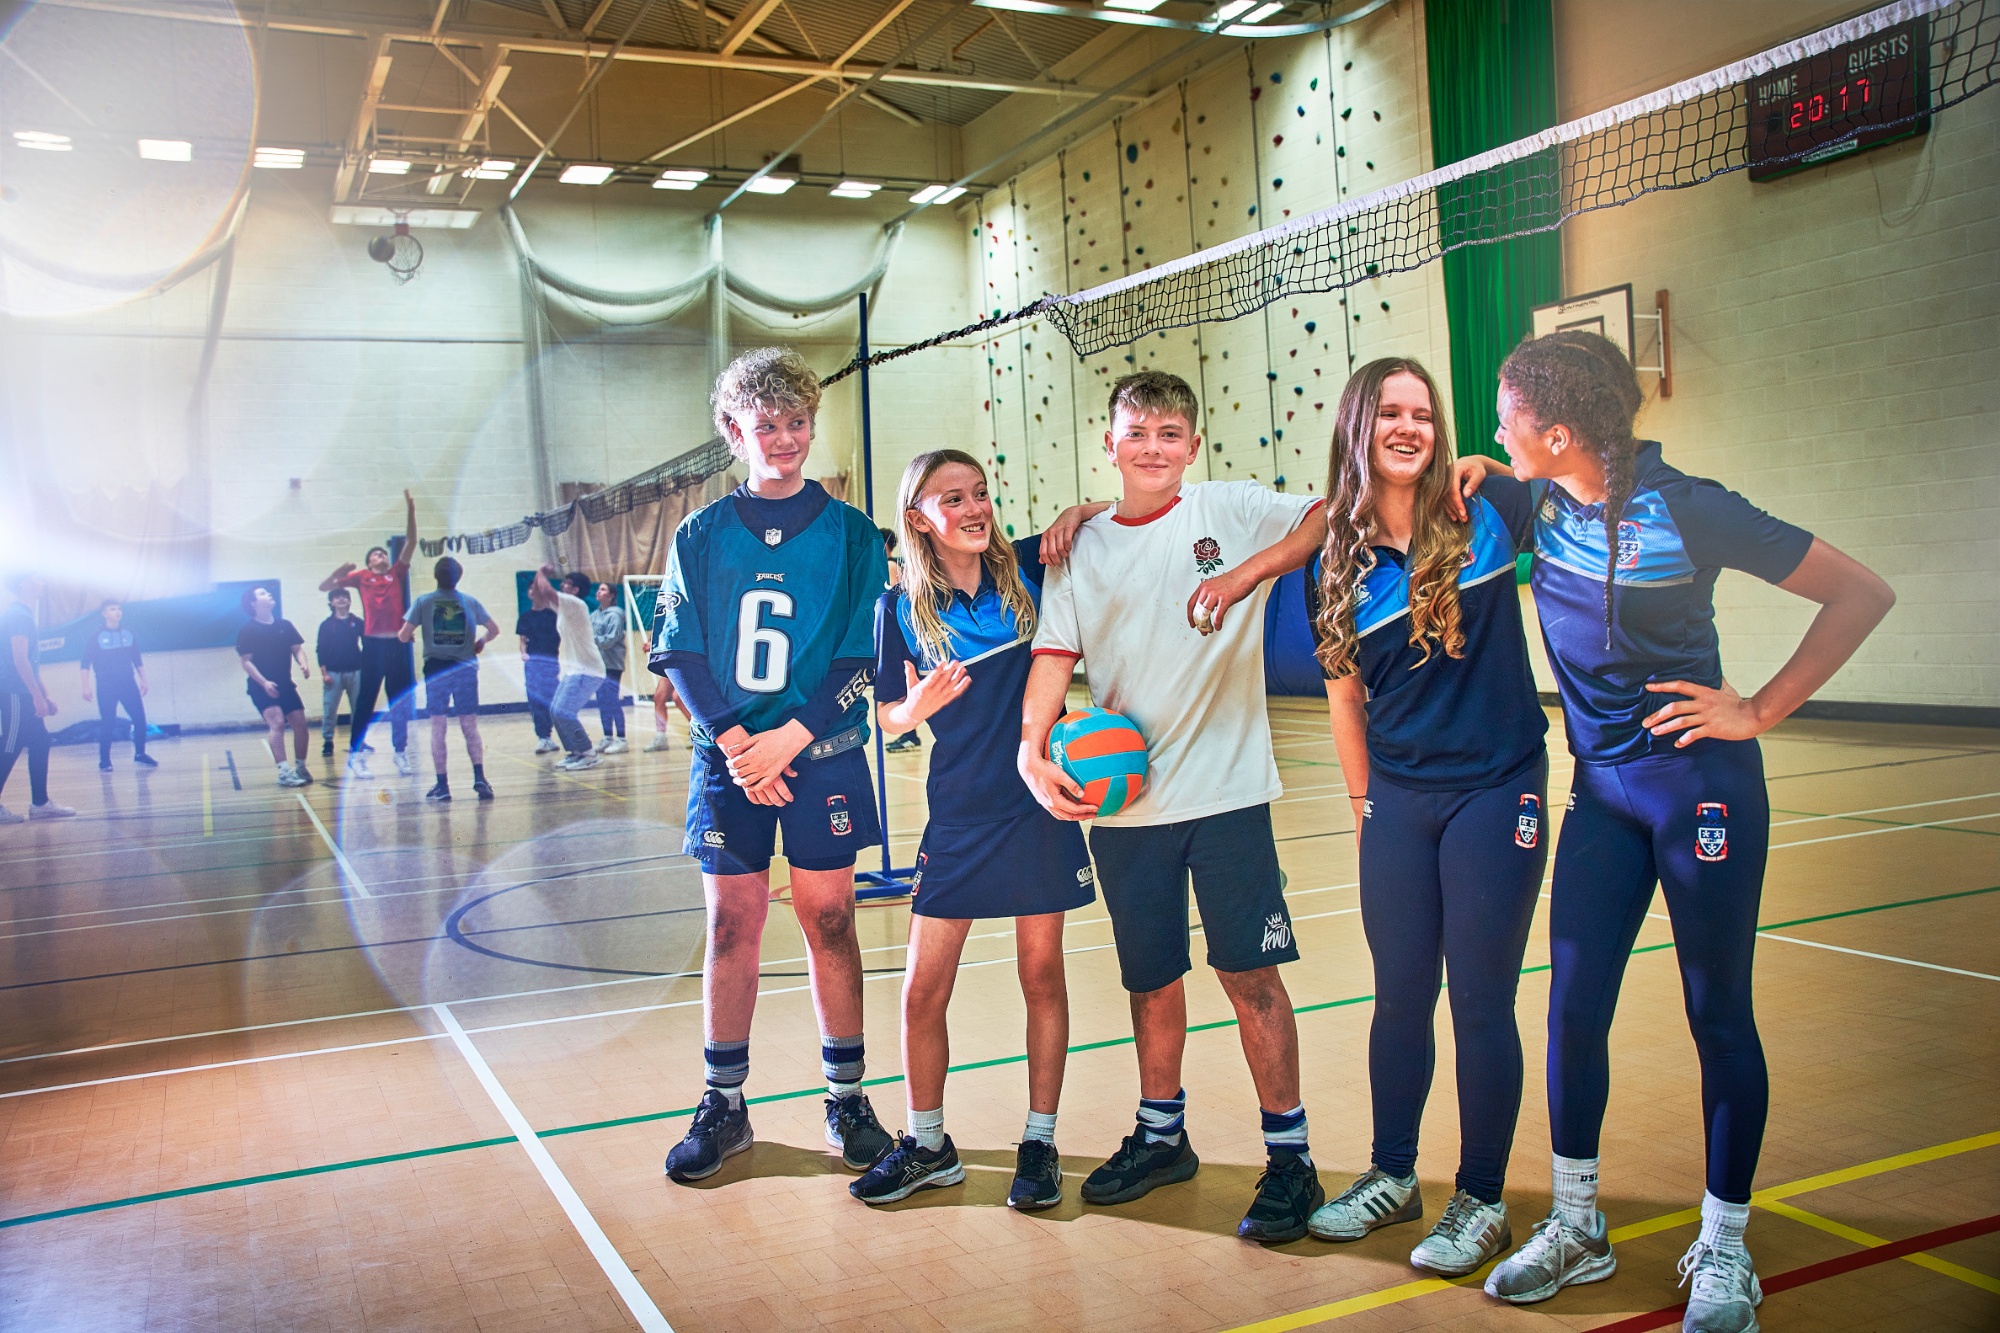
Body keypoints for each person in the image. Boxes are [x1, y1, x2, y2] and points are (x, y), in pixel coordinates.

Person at [1460, 332, 1893, 1332]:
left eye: (1504, 412)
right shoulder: (1533, 499)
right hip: (1598, 796)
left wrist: (1759, 707)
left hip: (1698, 787)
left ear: (1557, 430)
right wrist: (1474, 463)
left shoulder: (1689, 507)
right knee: (1571, 1006)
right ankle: (1575, 1226)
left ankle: (1723, 1247)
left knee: (1716, 1014)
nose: (1493, 427)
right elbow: (1470, 471)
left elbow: (1858, 593)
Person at [1018, 370, 1333, 1245]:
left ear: (1193, 446)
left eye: (1169, 432)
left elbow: (1325, 514)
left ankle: (1291, 1158)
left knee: (1250, 978)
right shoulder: (1079, 547)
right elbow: (1053, 653)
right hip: (1125, 804)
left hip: (1228, 795)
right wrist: (1029, 747)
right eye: (1136, 432)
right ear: (1109, 442)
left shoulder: (1228, 510)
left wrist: (1248, 574)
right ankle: (1163, 1136)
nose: (1152, 445)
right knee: (1150, 979)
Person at [1269, 359, 1548, 1276]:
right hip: (1398, 798)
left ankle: (1482, 1197)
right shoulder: (1334, 564)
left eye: (1423, 413)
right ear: (1359, 426)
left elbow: (1587, 483)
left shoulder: (1488, 511)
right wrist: (1363, 807)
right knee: (1398, 998)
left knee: (1478, 1000)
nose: (1409, 426)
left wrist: (1493, 461)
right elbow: (1345, 699)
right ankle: (1394, 1176)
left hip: (1496, 788)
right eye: (1390, 411)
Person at [650, 346, 894, 1185]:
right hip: (730, 761)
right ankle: (724, 1102)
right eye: (766, 426)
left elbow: (862, 657)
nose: (784, 439)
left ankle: (848, 1095)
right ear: (733, 431)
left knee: (831, 920)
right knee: (731, 923)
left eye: (796, 423)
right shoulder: (700, 534)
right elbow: (678, 651)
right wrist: (736, 744)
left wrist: (788, 738)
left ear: (811, 424)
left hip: (819, 754)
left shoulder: (856, 534)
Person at [850, 451, 1104, 1209]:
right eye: (952, 497)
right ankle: (928, 1143)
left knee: (1041, 976)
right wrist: (915, 708)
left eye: (982, 493)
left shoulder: (1026, 569)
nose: (973, 507)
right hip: (958, 815)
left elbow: (1104, 515)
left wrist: (1071, 515)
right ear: (919, 516)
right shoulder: (897, 608)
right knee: (923, 989)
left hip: (1040, 803)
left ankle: (1040, 1141)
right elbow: (887, 714)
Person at [319, 491, 419, 777]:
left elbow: (411, 541)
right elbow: (324, 588)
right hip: (373, 646)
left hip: (398, 645)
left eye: (384, 552)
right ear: (370, 561)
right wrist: (341, 570)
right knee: (366, 701)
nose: (382, 555)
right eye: (377, 554)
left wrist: (411, 510)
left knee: (399, 700)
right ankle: (356, 754)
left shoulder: (397, 573)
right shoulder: (361, 577)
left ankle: (400, 754)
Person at [399, 556, 498, 802]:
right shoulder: (470, 601)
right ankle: (480, 777)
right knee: (469, 726)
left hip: (436, 668)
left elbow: (403, 635)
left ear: (436, 576)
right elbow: (494, 629)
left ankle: (442, 785)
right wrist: (481, 642)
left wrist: (409, 636)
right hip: (465, 668)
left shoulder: (423, 601)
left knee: (438, 726)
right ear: (459, 577)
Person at [0, 572, 76, 823]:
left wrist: (44, 694)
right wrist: (36, 695)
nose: (42, 582)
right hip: (15, 692)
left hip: (23, 692)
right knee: (9, 746)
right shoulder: (18, 615)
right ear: (24, 584)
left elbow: (30, 662)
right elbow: (19, 658)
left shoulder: (22, 614)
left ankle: (41, 804)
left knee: (41, 741)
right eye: (36, 578)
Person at [237, 586, 313, 789]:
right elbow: (246, 662)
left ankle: (301, 767)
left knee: (300, 724)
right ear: (253, 603)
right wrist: (264, 682)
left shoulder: (284, 626)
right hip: (261, 686)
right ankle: (284, 772)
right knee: (277, 723)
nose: (268, 594)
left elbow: (297, 649)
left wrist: (303, 663)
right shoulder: (248, 630)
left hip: (285, 683)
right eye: (262, 593)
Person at [535, 569, 607, 771]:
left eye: (567, 583)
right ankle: (575, 752)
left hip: (589, 670)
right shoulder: (564, 608)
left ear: (575, 589)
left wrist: (541, 571)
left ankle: (588, 753)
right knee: (555, 711)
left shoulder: (576, 604)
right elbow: (542, 594)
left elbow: (547, 591)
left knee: (564, 712)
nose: (562, 585)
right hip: (575, 670)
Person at [80, 599, 156, 771]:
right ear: (104, 613)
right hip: (106, 686)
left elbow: (137, 659)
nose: (117, 612)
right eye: (112, 609)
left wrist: (143, 679)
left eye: (119, 609)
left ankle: (140, 754)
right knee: (108, 721)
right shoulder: (97, 637)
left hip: (128, 683)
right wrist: (85, 686)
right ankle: (105, 760)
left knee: (139, 718)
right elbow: (85, 663)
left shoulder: (128, 634)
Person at [877, 526, 921, 755]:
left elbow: (894, 601)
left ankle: (910, 735)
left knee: (903, 685)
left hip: (900, 632)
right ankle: (909, 734)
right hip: (899, 631)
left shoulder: (890, 566)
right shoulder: (892, 565)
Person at [316, 590, 365, 759]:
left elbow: (368, 645)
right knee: (330, 709)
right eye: (337, 598)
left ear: (350, 601)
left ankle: (359, 740)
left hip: (356, 671)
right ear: (332, 603)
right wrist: (324, 673)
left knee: (359, 709)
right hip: (333, 673)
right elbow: (320, 650)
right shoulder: (326, 625)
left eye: (345, 597)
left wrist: (367, 668)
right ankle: (328, 741)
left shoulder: (357, 622)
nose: (342, 599)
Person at [517, 591, 562, 755]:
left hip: (550, 663)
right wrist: (524, 653)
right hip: (533, 665)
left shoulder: (553, 616)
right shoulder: (525, 617)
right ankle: (543, 737)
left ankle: (552, 735)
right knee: (535, 700)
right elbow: (522, 640)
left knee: (552, 700)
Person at [589, 581, 629, 754]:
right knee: (602, 701)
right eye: (598, 589)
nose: (599, 592)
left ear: (611, 595)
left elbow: (610, 639)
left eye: (603, 589)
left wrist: (591, 642)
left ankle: (621, 739)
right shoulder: (594, 615)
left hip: (612, 664)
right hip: (598, 665)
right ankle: (607, 736)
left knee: (612, 701)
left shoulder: (616, 615)